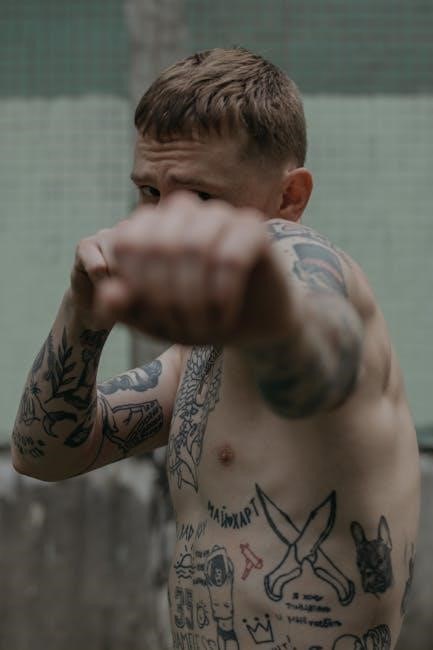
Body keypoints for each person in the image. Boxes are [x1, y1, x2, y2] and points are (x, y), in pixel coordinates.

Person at [11, 47, 420, 650]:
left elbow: (322, 357)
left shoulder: (304, 263)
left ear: (289, 198)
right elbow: (42, 453)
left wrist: (268, 310)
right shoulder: (196, 358)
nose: (164, 223)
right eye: (149, 192)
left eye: (201, 197)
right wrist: (82, 314)